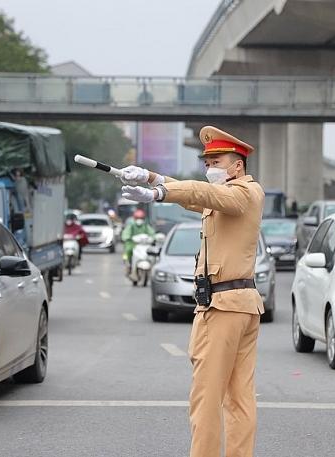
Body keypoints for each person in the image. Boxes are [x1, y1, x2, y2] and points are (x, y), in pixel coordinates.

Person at [119, 126, 264, 457]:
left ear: (237, 165)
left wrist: (157, 193)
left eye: (216, 160)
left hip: (224, 308)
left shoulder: (241, 194)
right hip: (240, 305)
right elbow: (195, 197)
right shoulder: (231, 196)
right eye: (207, 161)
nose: (209, 166)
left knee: (206, 399)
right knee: (239, 399)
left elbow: (203, 193)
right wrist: (151, 177)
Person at [121, 208, 155, 276]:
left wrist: (154, 237)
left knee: (153, 252)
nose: (139, 220)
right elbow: (126, 233)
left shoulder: (145, 226)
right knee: (128, 250)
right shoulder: (131, 225)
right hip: (133, 244)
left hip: (144, 244)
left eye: (141, 218)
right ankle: (129, 265)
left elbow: (152, 233)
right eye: (138, 218)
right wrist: (127, 238)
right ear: (135, 218)